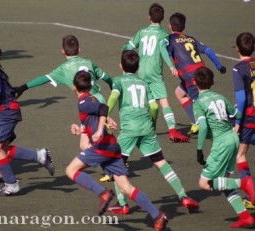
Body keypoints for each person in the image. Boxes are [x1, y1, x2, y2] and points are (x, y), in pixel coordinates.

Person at [66, 70, 168, 231]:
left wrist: (99, 130)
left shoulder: (83, 102)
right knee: (125, 187)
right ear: (91, 86)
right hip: (112, 147)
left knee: (71, 170)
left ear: (73, 87)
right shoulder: (91, 98)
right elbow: (94, 118)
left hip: (102, 147)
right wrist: (81, 131)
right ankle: (157, 215)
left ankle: (103, 194)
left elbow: (103, 109)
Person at [105, 50, 198, 215]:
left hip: (129, 130)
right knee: (161, 163)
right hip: (146, 128)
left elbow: (113, 98)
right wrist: (153, 125)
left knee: (115, 165)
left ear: (120, 66)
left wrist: (105, 116)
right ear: (138, 67)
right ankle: (183, 196)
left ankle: (123, 204)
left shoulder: (118, 81)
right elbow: (154, 107)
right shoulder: (144, 83)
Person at [13, 34, 113, 182]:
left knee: (86, 143)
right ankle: (113, 165)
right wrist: (113, 89)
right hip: (99, 99)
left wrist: (23, 87)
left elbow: (44, 79)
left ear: (62, 51)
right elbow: (107, 78)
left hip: (89, 104)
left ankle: (113, 166)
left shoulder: (63, 69)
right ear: (79, 49)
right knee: (95, 139)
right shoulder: (89, 62)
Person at [0, 35, 55, 196]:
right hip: (7, 109)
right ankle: (40, 155)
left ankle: (11, 184)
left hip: (7, 111)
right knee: (3, 149)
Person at [193, 66, 255, 228]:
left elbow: (204, 127)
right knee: (223, 182)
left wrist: (199, 149)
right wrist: (235, 129)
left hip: (221, 144)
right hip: (233, 139)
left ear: (194, 83)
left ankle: (243, 184)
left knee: (204, 183)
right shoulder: (220, 96)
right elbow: (237, 113)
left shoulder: (198, 103)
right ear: (212, 82)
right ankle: (245, 216)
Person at [122, 3, 189, 143]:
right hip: (154, 73)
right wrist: (171, 66)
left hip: (140, 72)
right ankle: (172, 131)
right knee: (163, 101)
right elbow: (163, 51)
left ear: (149, 17)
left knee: (147, 103)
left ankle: (143, 128)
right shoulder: (164, 34)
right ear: (163, 18)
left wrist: (123, 55)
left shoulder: (142, 32)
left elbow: (128, 47)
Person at [167, 12, 226, 135]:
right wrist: (219, 66)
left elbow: (166, 55)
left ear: (170, 26)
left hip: (191, 77)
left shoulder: (171, 40)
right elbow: (208, 50)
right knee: (179, 93)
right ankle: (197, 121)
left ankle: (218, 126)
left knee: (199, 104)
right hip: (202, 72)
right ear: (184, 27)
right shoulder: (191, 38)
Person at [231, 32, 255, 209]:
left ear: (237, 49)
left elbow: (241, 100)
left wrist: (237, 122)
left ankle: (252, 197)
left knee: (240, 154)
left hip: (249, 117)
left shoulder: (238, 69)